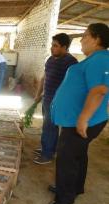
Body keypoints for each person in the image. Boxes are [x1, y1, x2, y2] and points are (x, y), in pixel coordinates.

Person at [48, 23, 109, 204]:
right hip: (78, 119)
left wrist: (83, 118)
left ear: (97, 38)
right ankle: (75, 188)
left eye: (85, 35)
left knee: (66, 157)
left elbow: (99, 91)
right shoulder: (95, 59)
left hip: (82, 121)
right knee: (78, 155)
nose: (81, 40)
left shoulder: (100, 59)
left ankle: (64, 198)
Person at [33, 33, 78, 164]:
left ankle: (47, 155)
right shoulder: (50, 60)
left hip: (57, 102)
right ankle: (47, 148)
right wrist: (38, 94)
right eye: (52, 45)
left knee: (50, 127)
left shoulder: (71, 63)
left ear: (65, 47)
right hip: (47, 98)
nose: (52, 48)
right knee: (47, 126)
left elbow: (71, 85)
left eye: (55, 46)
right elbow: (44, 78)